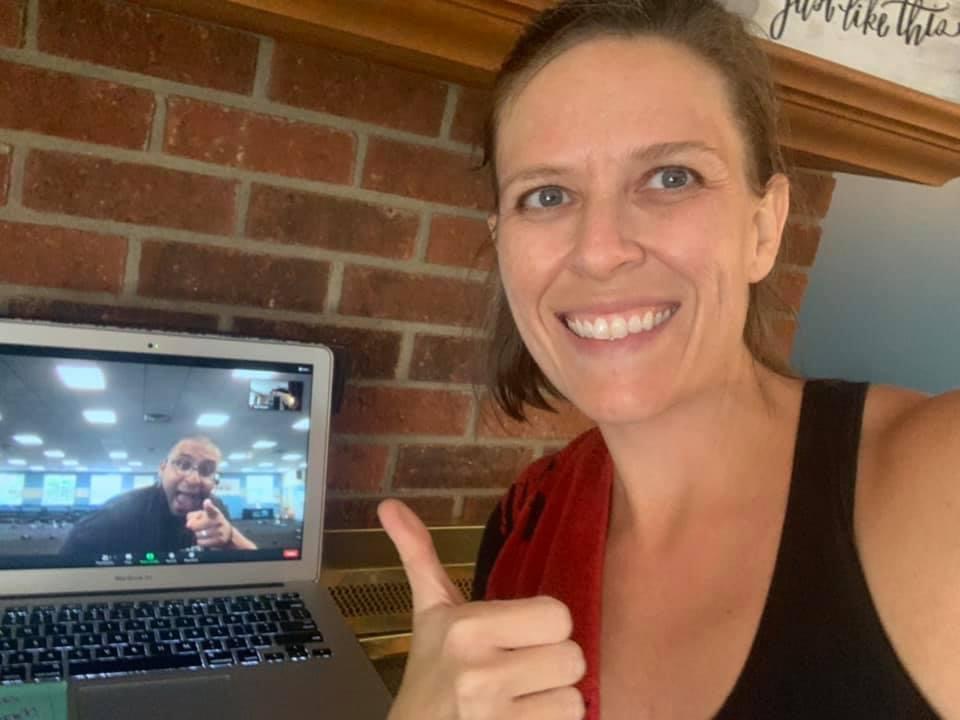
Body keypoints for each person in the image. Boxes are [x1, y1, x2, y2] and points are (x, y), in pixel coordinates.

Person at [376, 1, 960, 718]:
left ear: (763, 228)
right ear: (503, 245)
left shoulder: (938, 480)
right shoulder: (525, 526)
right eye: (547, 195)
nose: (599, 250)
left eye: (671, 178)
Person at [61, 436, 257, 556]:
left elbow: (257, 569)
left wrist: (230, 537)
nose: (194, 479)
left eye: (206, 470)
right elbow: (64, 575)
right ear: (162, 469)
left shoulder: (216, 510)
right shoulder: (115, 515)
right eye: (183, 464)